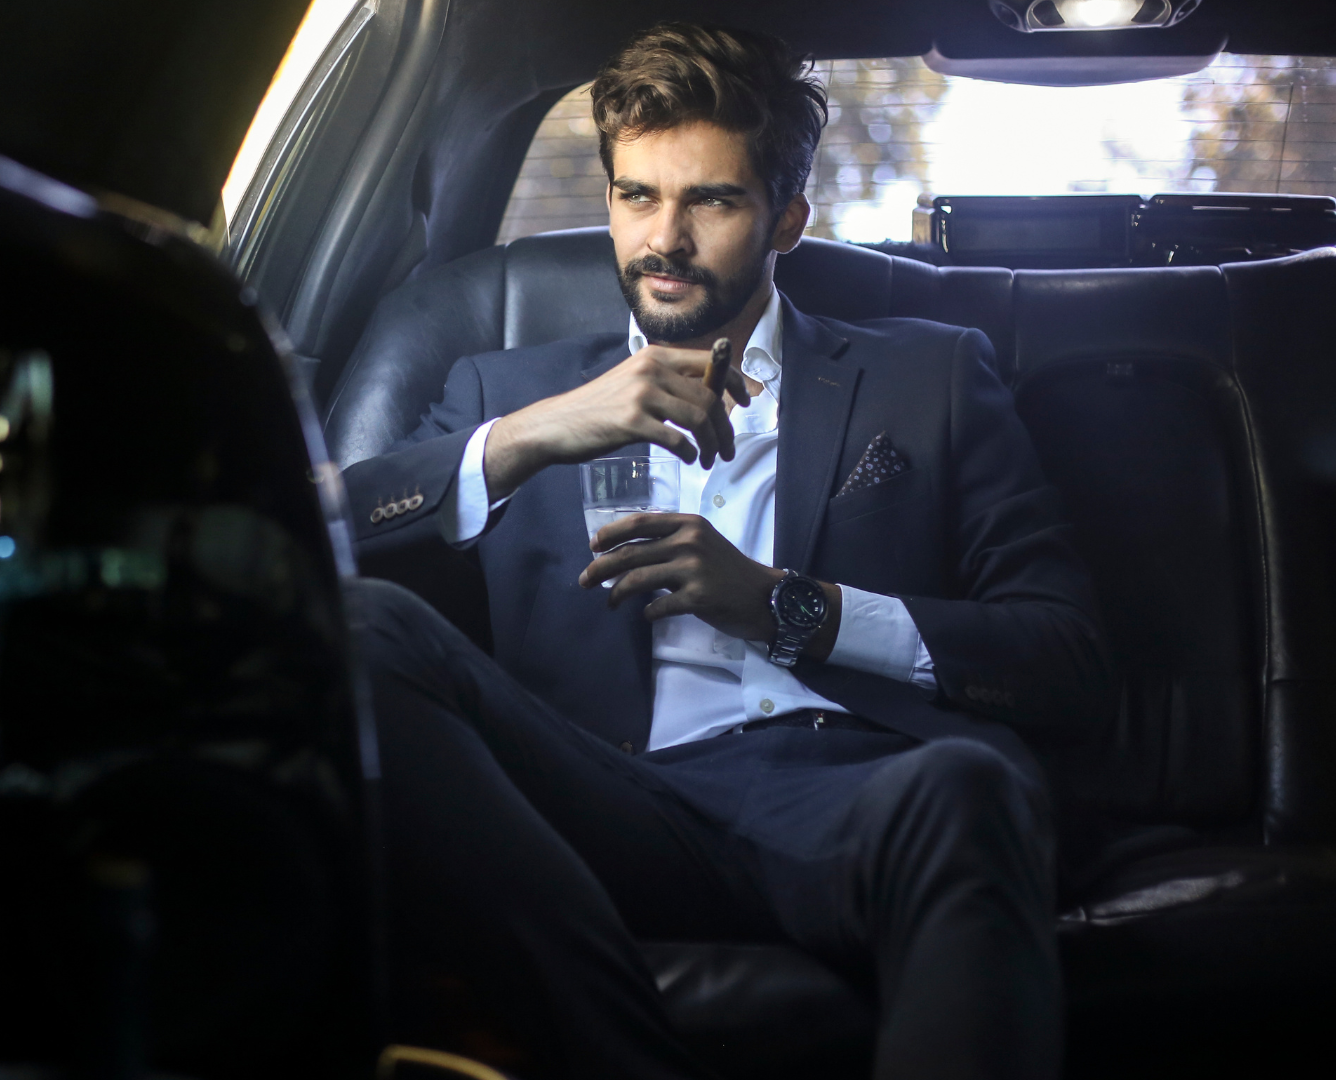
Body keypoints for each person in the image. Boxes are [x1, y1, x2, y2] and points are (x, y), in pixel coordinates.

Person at [338, 22, 1114, 1080]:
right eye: (636, 196)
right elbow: (310, 549)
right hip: (612, 799)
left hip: (857, 796)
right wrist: (535, 436)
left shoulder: (928, 378)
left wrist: (787, 604)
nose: (664, 239)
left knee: (966, 790)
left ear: (787, 215)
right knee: (364, 632)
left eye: (711, 200)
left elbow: (1064, 659)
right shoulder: (503, 392)